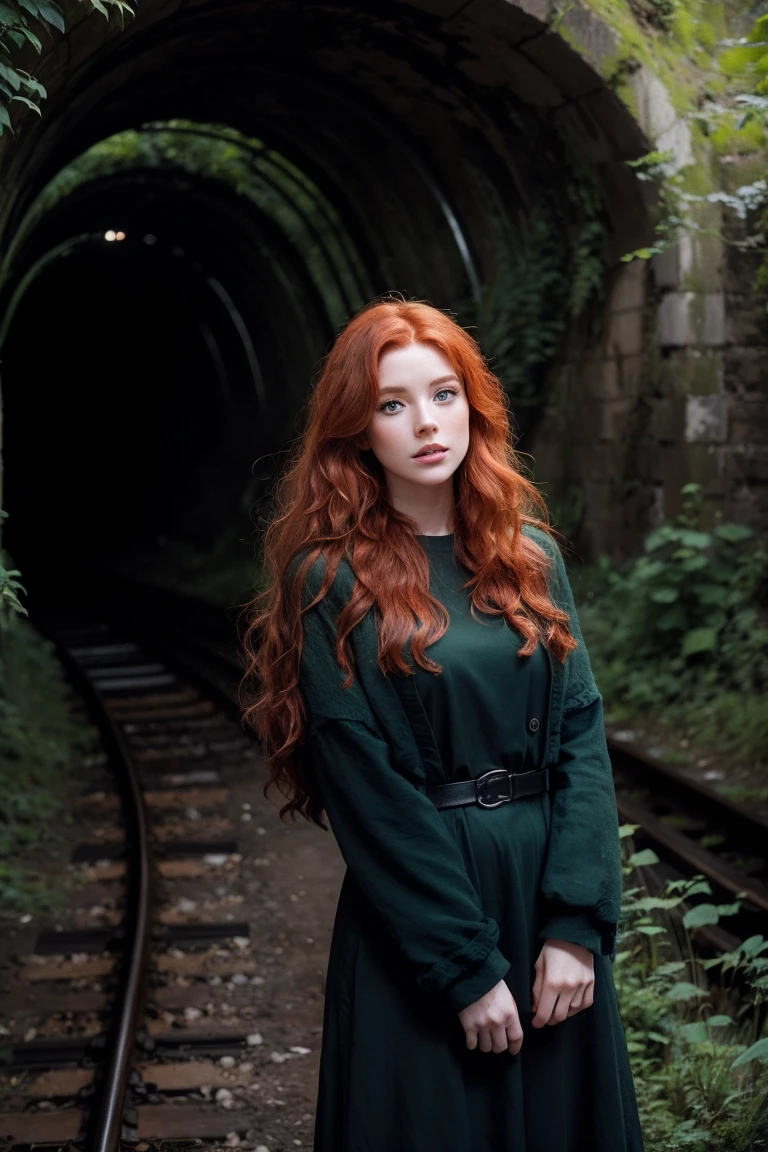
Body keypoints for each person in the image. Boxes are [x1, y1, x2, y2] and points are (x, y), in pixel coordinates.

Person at [241, 296, 645, 1151]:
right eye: (392, 404)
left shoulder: (528, 556)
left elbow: (580, 736)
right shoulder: (330, 581)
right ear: (358, 432)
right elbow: (369, 792)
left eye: (443, 393)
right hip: (423, 923)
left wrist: (577, 927)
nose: (426, 422)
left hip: (546, 913)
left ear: (473, 404)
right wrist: (462, 968)